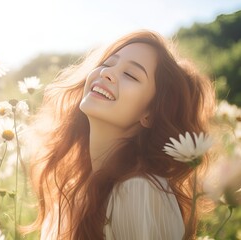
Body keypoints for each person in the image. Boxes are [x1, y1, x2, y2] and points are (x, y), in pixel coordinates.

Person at [26, 30, 215, 239]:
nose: (106, 73)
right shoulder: (78, 188)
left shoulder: (138, 191)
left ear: (149, 114)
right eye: (107, 64)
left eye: (130, 75)